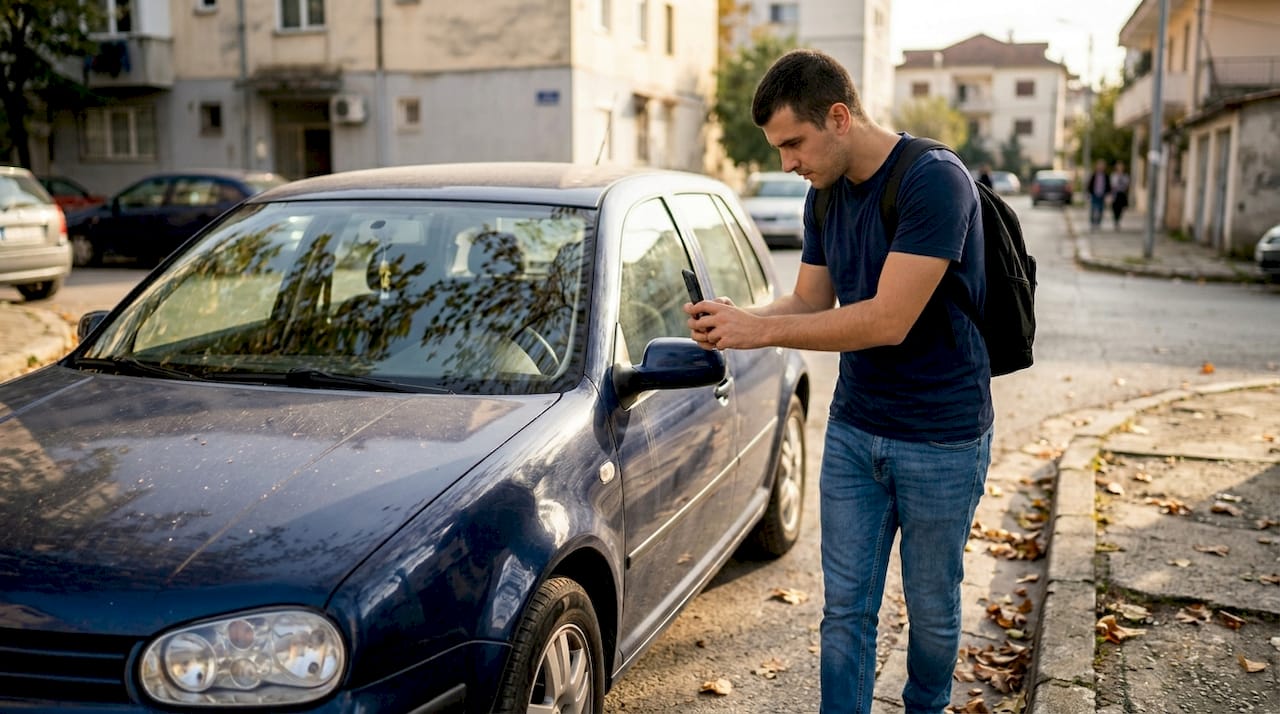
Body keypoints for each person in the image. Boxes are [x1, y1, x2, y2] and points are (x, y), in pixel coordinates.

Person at [684, 48, 992, 714]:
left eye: (793, 143)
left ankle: (925, 706)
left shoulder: (934, 181)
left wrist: (759, 334)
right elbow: (810, 303)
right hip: (856, 432)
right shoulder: (823, 198)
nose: (785, 164)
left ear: (840, 117)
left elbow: (888, 320)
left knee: (933, 607)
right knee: (845, 609)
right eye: (778, 149)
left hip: (942, 437)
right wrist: (738, 319)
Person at [1086, 159, 1111, 230]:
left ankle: (1098, 223)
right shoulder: (1094, 175)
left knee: (1101, 209)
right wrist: (1089, 194)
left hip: (1102, 195)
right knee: (1093, 209)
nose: (1101, 167)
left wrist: (1108, 194)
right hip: (1094, 195)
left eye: (1102, 166)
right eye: (1099, 165)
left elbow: (1108, 186)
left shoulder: (1106, 176)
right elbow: (1089, 185)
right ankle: (1092, 223)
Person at [1110, 161, 1130, 229]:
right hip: (1115, 194)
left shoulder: (1125, 176)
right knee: (1115, 208)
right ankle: (1115, 220)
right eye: (1119, 167)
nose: (1120, 168)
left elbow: (1127, 185)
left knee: (1121, 208)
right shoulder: (1114, 175)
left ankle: (1118, 220)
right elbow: (1112, 185)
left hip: (1122, 194)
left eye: (1121, 167)